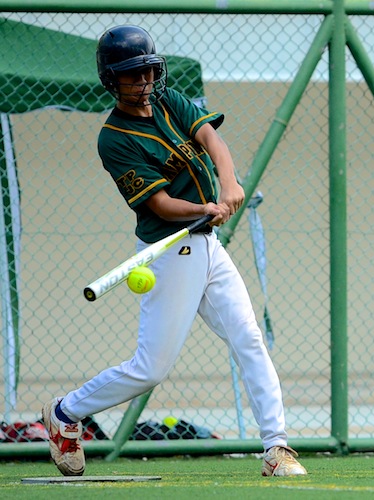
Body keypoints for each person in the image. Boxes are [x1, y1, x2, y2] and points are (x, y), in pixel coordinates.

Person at [41, 25, 306, 477]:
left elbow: (212, 141)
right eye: (132, 75)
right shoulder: (114, 138)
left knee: (249, 338)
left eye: (148, 70)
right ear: (111, 79)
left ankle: (276, 448)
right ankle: (65, 412)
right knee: (151, 369)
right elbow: (160, 204)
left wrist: (229, 183)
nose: (144, 82)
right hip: (170, 251)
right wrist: (202, 207)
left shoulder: (169, 101)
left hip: (209, 245)